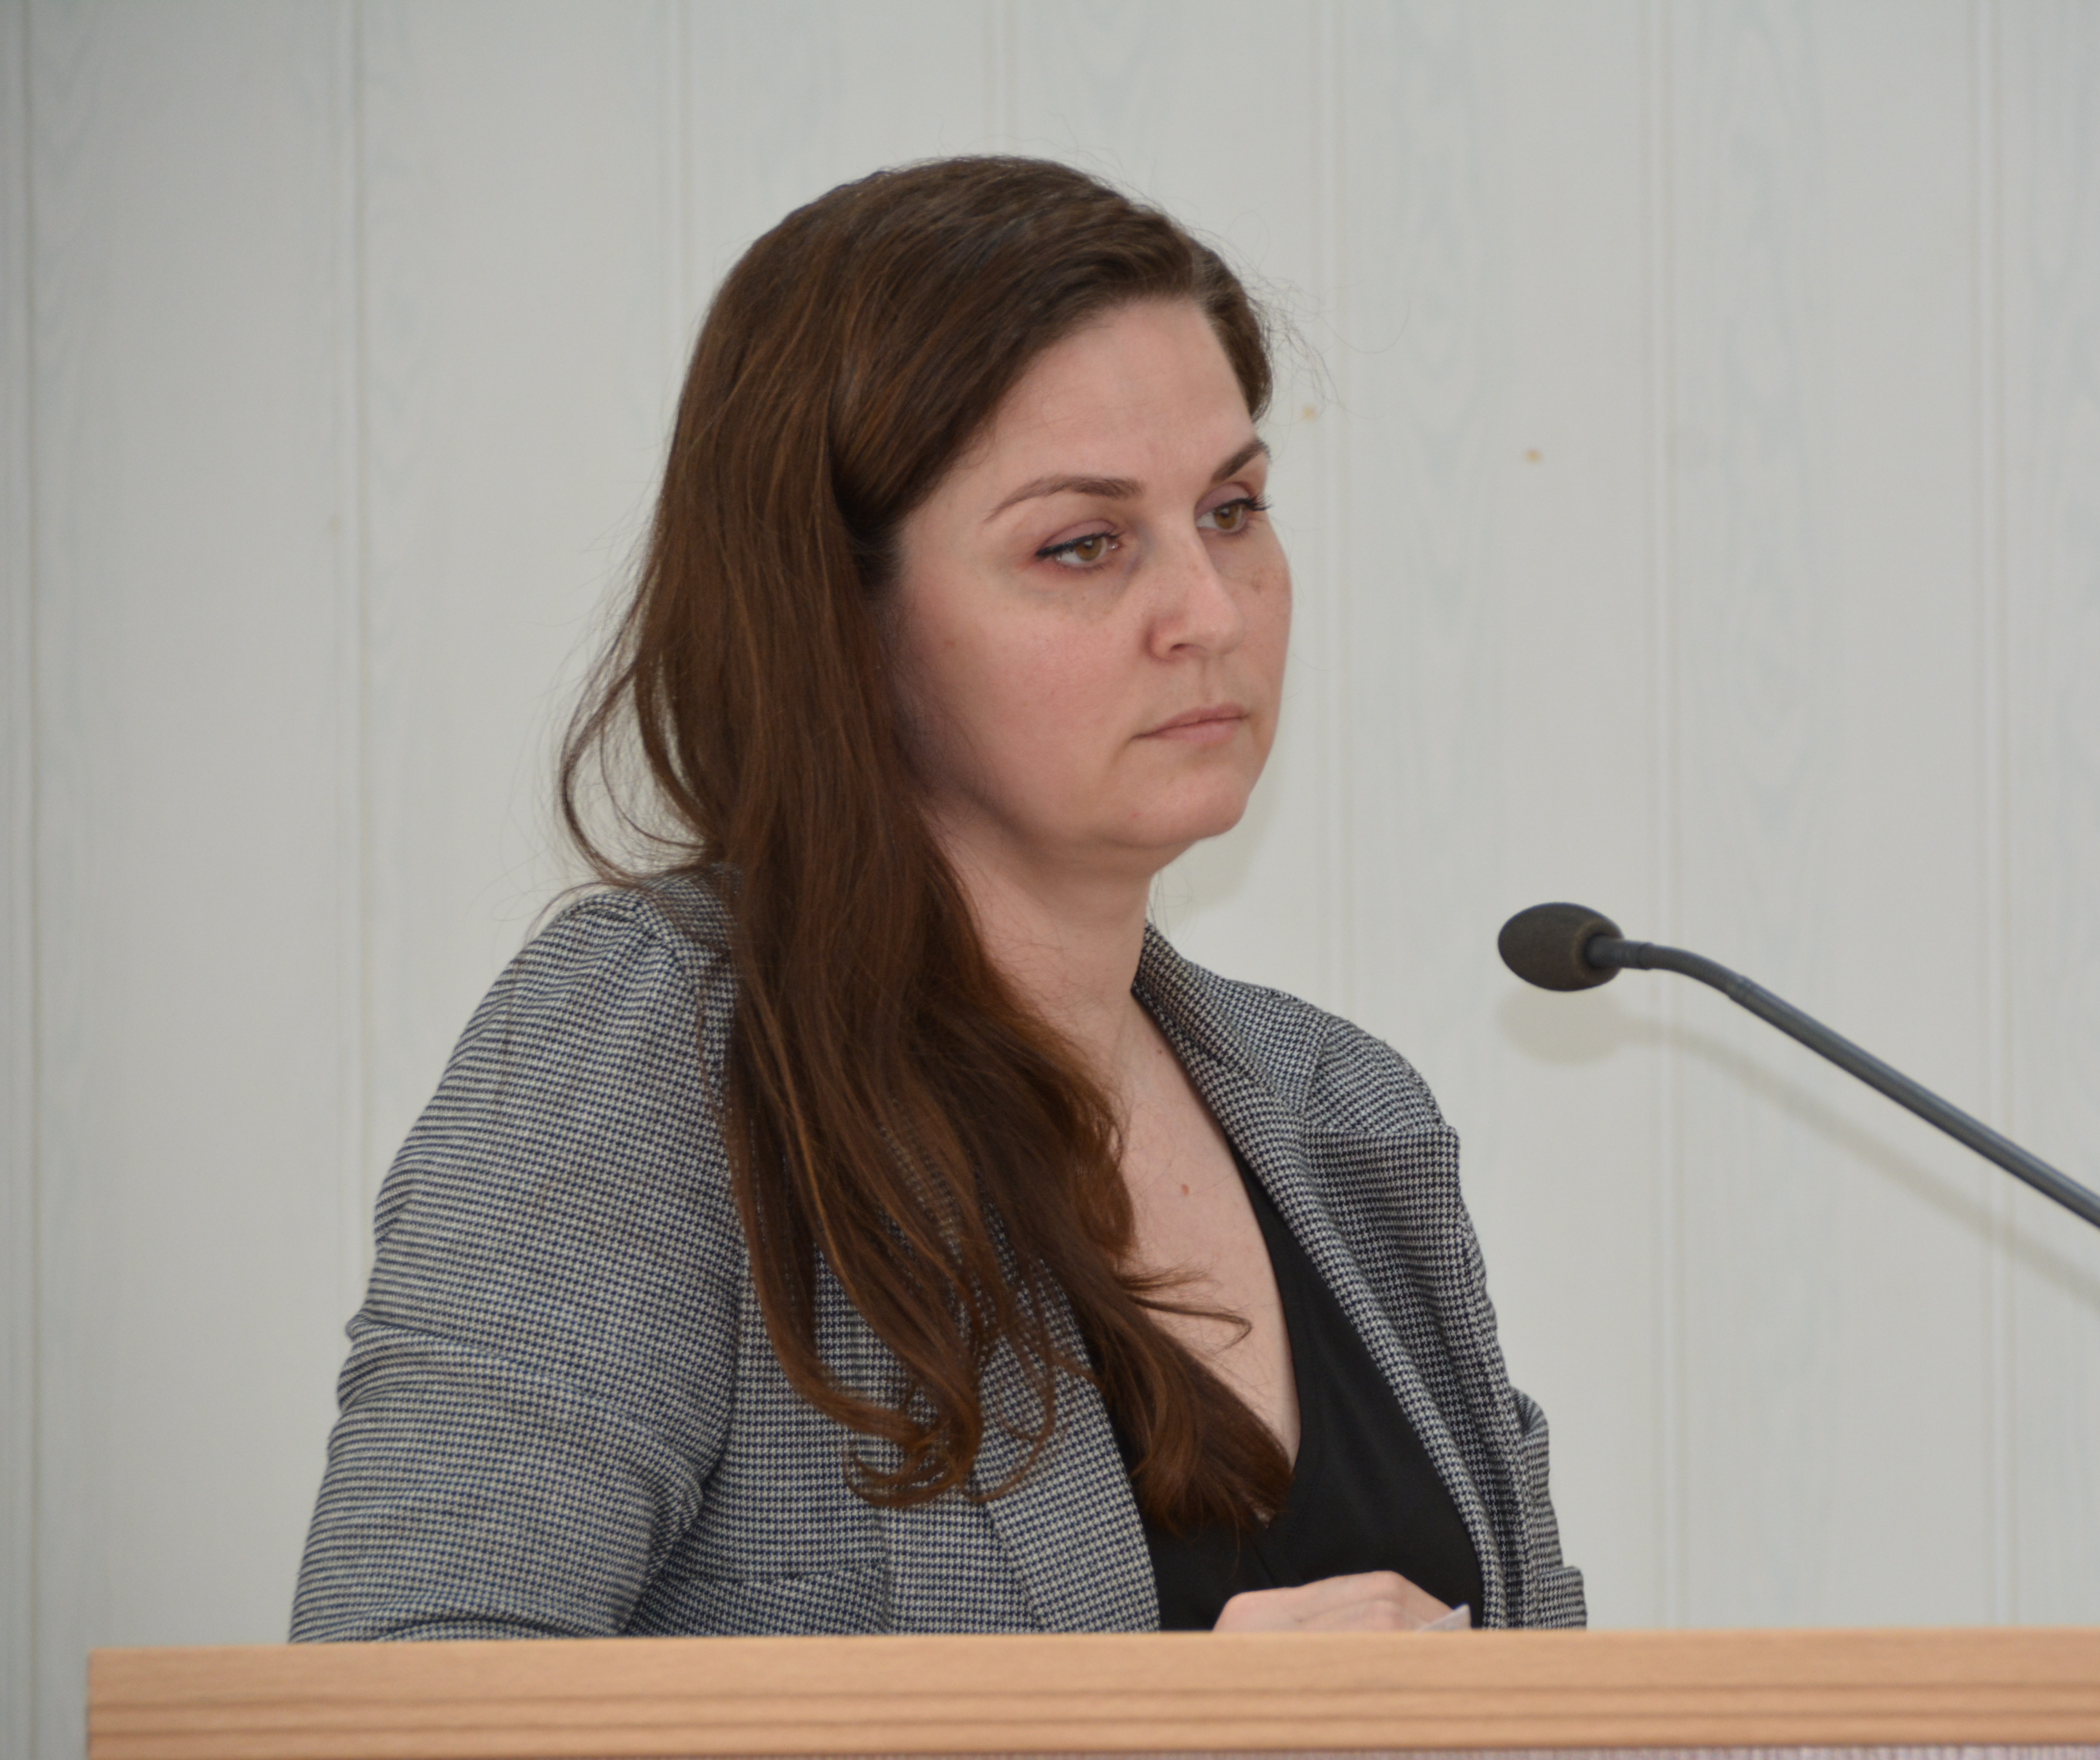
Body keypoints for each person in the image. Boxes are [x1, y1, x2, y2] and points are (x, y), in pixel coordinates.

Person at [290, 156, 1583, 1640]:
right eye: (1082, 544)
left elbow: (1560, 1693)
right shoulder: (665, 1051)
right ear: (839, 618)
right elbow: (397, 1696)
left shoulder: (1348, 1111)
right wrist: (1162, 1736)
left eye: (1232, 510)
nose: (1211, 611)